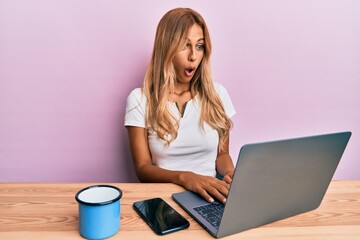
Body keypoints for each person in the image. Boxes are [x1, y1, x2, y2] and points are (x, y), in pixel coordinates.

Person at [124, 7, 236, 204]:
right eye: (185, 45)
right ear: (167, 47)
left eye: (199, 46)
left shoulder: (218, 94)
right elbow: (143, 168)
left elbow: (222, 155)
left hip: (211, 199)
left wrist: (230, 174)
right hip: (164, 201)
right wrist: (185, 178)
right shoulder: (140, 99)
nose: (193, 56)